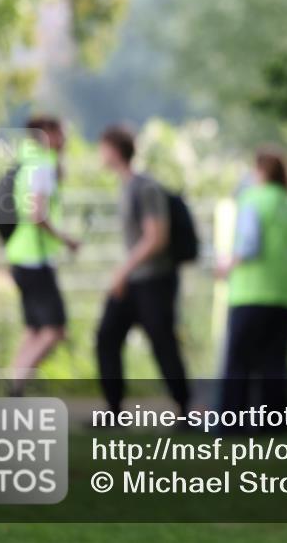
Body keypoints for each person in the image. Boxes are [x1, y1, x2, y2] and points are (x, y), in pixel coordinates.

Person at [96, 125, 190, 417]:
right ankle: (113, 410)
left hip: (154, 280)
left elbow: (156, 237)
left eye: (103, 147)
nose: (100, 153)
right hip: (134, 281)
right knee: (107, 337)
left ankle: (184, 409)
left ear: (115, 150)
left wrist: (122, 270)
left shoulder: (145, 187)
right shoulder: (126, 186)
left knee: (163, 343)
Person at [214, 147, 287, 427]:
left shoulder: (253, 199)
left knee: (238, 362)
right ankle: (273, 423)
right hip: (285, 295)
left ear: (261, 171)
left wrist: (226, 265)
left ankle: (231, 423)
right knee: (274, 363)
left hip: (251, 293)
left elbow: (249, 244)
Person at [7, 116, 80, 396]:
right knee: (54, 329)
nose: (65, 140)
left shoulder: (26, 161)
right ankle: (15, 389)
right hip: (35, 259)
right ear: (48, 133)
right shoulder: (42, 165)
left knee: (34, 328)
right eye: (62, 133)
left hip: (20, 255)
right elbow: (37, 214)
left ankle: (13, 386)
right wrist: (66, 239)